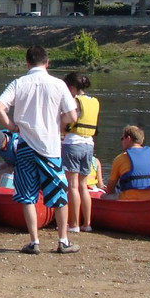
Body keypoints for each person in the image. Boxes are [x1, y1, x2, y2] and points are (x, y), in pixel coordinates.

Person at [0, 45, 79, 255]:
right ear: (47, 63)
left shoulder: (19, 83)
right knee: (58, 194)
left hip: (25, 145)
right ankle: (63, 240)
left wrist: (11, 127)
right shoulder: (58, 85)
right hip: (50, 147)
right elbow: (72, 117)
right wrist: (61, 127)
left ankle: (34, 241)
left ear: (27, 63)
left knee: (27, 195)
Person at [61, 72, 98, 235]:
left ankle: (73, 224)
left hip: (73, 144)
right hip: (89, 145)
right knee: (84, 185)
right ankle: (87, 223)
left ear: (71, 88)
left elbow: (65, 121)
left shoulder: (74, 101)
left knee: (72, 185)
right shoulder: (95, 102)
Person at [104, 125, 150, 201]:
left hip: (129, 200)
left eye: (122, 138)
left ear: (128, 139)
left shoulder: (120, 158)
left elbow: (110, 188)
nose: (121, 141)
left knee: (104, 196)